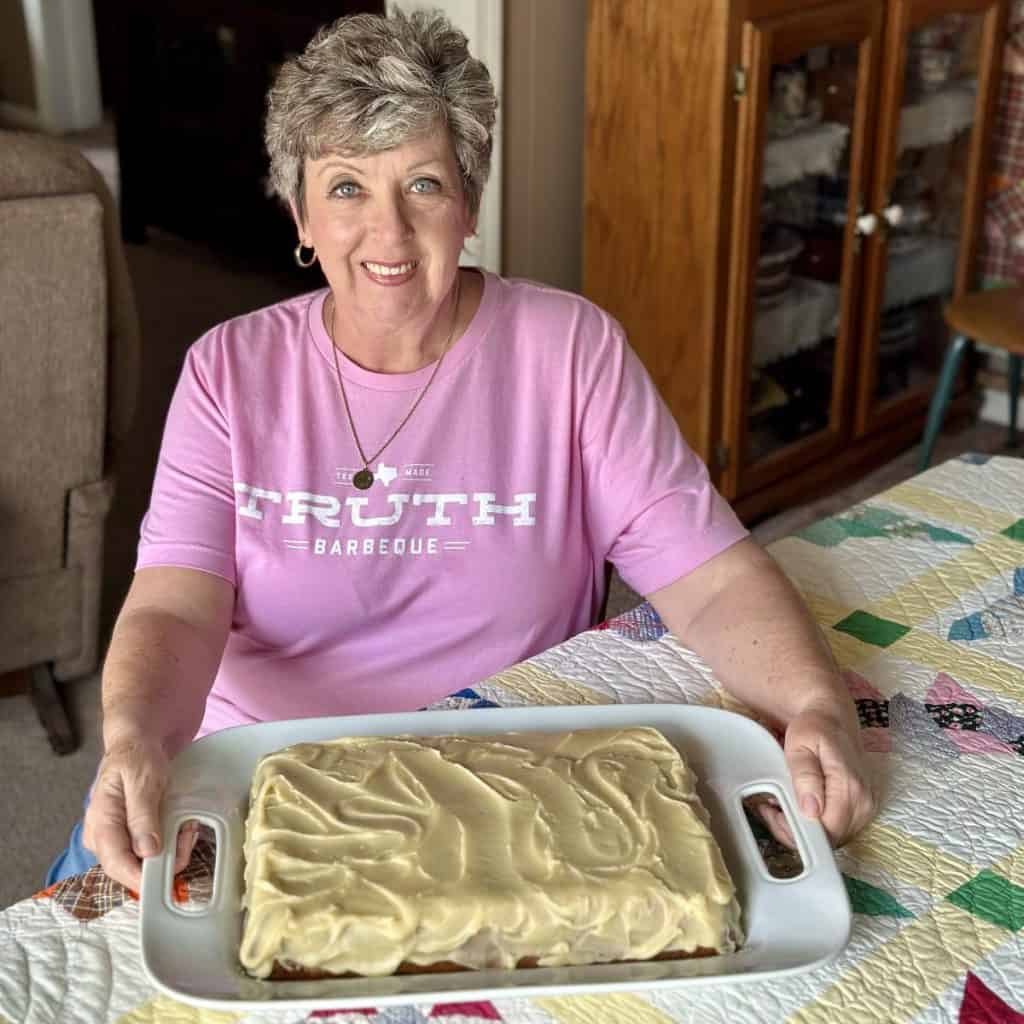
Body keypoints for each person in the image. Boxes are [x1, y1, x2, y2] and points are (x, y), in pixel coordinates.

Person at [54, 9, 874, 893]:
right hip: (263, 769)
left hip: (509, 774)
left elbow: (711, 577)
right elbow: (175, 607)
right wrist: (135, 742)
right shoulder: (227, 372)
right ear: (299, 214)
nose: (389, 232)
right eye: (345, 188)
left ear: (469, 203)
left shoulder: (570, 351)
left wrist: (816, 706)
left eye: (423, 185)